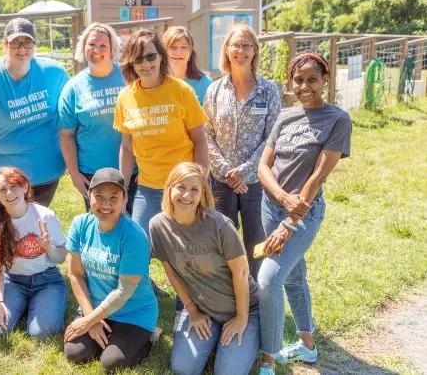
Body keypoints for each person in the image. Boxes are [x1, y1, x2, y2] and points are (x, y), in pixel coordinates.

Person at [256, 53, 352, 375]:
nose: (305, 86)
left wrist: (290, 218)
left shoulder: (337, 119)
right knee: (293, 274)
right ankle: (308, 347)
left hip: (303, 212)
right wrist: (281, 197)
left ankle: (268, 360)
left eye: (312, 79)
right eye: (299, 80)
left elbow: (319, 176)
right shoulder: (285, 117)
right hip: (270, 205)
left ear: (325, 80)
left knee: (269, 279)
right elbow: (263, 166)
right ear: (291, 83)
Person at [113, 29, 209, 295]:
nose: (145, 64)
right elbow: (126, 147)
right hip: (149, 187)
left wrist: (200, 181)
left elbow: (200, 140)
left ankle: (189, 304)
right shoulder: (126, 97)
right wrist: (122, 187)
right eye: (138, 59)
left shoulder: (181, 91)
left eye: (150, 56)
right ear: (130, 63)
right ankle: (141, 302)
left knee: (186, 249)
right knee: (138, 246)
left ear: (161, 56)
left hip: (183, 188)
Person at [149, 162, 260, 375]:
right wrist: (192, 310)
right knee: (182, 368)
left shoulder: (219, 225)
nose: (186, 195)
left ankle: (244, 339)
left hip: (244, 308)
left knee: (228, 372)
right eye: (180, 187)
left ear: (202, 194)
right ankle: (216, 340)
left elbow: (241, 272)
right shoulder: (158, 226)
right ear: (169, 188)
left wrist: (241, 317)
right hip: (203, 309)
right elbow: (170, 272)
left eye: (194, 190)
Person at [0, 17, 70, 214]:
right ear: (4, 45)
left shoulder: (54, 73)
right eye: (15, 42)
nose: (21, 48)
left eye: (27, 42)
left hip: (46, 173)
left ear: (34, 45)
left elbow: (68, 115)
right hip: (2, 179)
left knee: (33, 233)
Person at [204, 23, 281, 280]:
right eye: (235, 45)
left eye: (247, 45)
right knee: (222, 239)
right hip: (221, 181)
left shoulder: (268, 91)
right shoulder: (214, 90)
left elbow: (273, 136)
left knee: (257, 240)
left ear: (255, 51)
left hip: (256, 182)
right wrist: (227, 171)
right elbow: (207, 135)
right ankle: (227, 290)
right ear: (226, 50)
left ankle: (258, 291)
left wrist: (245, 170)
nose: (241, 50)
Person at [64, 168, 158, 371]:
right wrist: (91, 319)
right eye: (99, 196)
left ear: (124, 199)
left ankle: (148, 337)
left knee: (112, 363)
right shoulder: (80, 225)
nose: (106, 204)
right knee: (75, 353)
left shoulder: (134, 236)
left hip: (133, 311)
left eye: (114, 197)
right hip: (97, 307)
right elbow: (75, 274)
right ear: (89, 196)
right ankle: (107, 333)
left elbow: (124, 291)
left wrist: (88, 321)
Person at [0, 167, 67, 340]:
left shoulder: (45, 216)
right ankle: (21, 304)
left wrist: (49, 247)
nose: (9, 193)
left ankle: (39, 304)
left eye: (14, 186)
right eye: (3, 189)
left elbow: (62, 258)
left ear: (25, 187)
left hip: (47, 279)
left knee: (41, 334)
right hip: (13, 281)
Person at [58, 22, 137, 213]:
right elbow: (66, 135)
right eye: (91, 44)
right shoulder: (73, 88)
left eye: (103, 45)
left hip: (132, 170)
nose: (96, 50)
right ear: (83, 47)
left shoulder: (129, 76)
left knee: (134, 227)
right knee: (102, 228)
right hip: (93, 173)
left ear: (112, 50)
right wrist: (75, 174)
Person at [162, 26, 213, 104]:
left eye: (184, 47)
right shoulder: (155, 83)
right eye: (173, 47)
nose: (178, 52)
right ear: (163, 51)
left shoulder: (205, 83)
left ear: (190, 52)